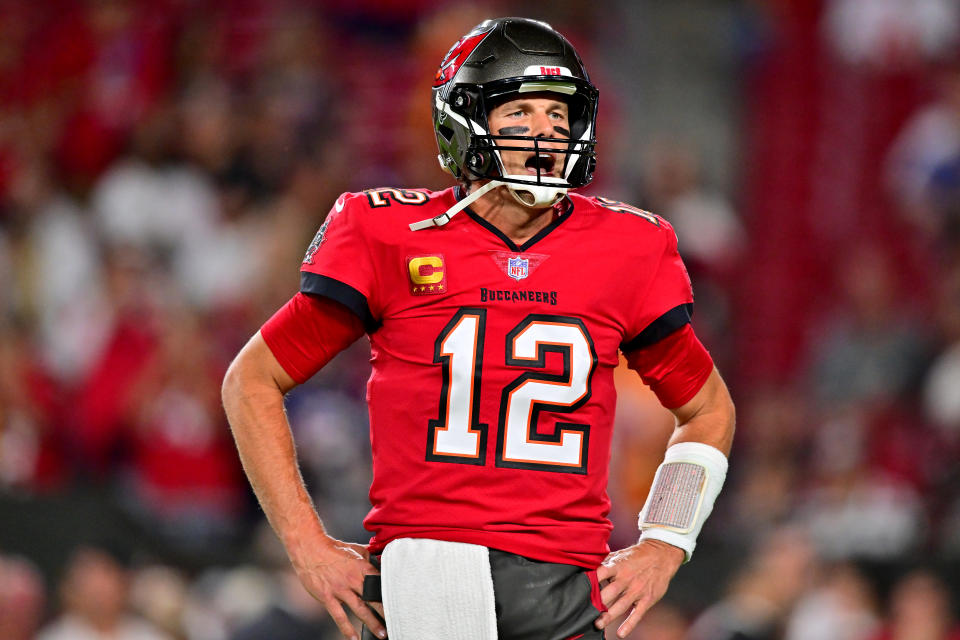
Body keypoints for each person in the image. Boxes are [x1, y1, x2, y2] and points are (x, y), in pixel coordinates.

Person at [222, 17, 735, 640]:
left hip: (573, 586)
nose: (547, 131)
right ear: (463, 122)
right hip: (430, 570)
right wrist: (306, 545)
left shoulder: (629, 244)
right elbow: (251, 380)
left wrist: (664, 541)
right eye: (521, 111)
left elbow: (708, 409)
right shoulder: (387, 231)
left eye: (559, 111)